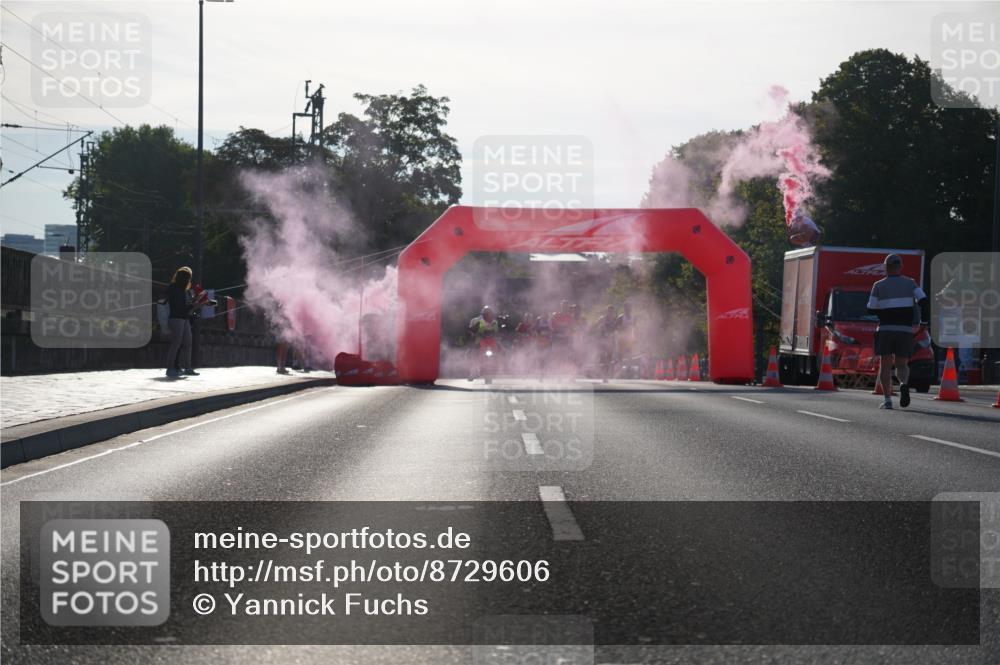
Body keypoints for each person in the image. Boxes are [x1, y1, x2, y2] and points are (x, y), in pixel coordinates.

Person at [867, 253, 929, 409]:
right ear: (900, 267)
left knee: (885, 365)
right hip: (905, 330)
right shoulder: (911, 283)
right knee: (902, 364)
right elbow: (924, 301)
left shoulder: (878, 285)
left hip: (886, 329)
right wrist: (923, 322)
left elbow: (870, 309)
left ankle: (888, 400)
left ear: (886, 267)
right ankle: (903, 384)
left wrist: (884, 311)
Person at [165, 267, 197, 378]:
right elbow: (180, 307)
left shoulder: (183, 290)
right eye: (189, 279)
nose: (189, 281)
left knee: (188, 342)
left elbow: (185, 306)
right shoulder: (175, 289)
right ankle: (170, 368)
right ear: (185, 279)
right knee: (176, 343)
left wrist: (195, 303)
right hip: (176, 318)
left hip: (184, 318)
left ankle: (188, 367)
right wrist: (196, 305)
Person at [466, 305, 500, 380]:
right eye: (486, 313)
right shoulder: (477, 320)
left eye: (489, 313)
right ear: (483, 313)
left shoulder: (494, 322)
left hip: (491, 342)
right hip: (479, 341)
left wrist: (499, 335)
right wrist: (473, 332)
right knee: (473, 354)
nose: (488, 315)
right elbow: (471, 329)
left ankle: (497, 368)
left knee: (498, 352)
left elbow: (496, 332)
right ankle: (473, 372)